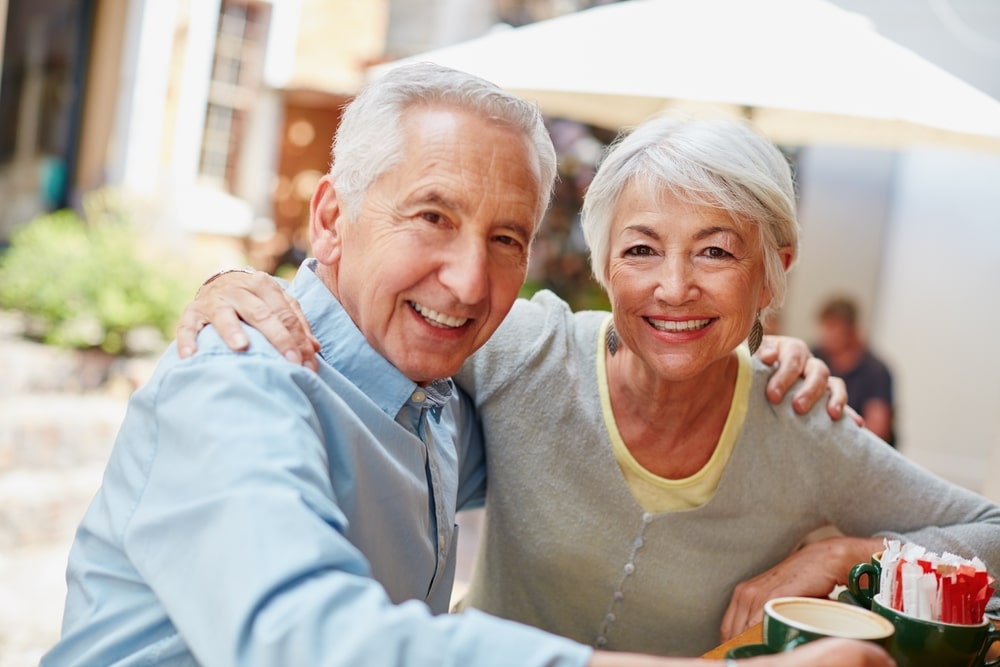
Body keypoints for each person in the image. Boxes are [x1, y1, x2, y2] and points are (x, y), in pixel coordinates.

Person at [40, 63, 891, 667]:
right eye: (432, 217)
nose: (471, 280)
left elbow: (596, 419)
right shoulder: (238, 378)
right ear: (331, 218)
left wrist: (736, 356)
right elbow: (305, 641)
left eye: (506, 238)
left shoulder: (446, 398)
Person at [184, 111, 1000, 658]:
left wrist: (846, 553)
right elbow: (383, 308)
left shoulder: (802, 421)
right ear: (606, 266)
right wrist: (251, 287)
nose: (673, 287)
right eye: (642, 249)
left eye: (716, 252)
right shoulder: (527, 350)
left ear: (775, 272)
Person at [812, 296, 896, 445]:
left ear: (851, 330)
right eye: (824, 326)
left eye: (832, 326)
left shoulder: (876, 371)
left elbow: (877, 430)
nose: (825, 333)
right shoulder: (815, 357)